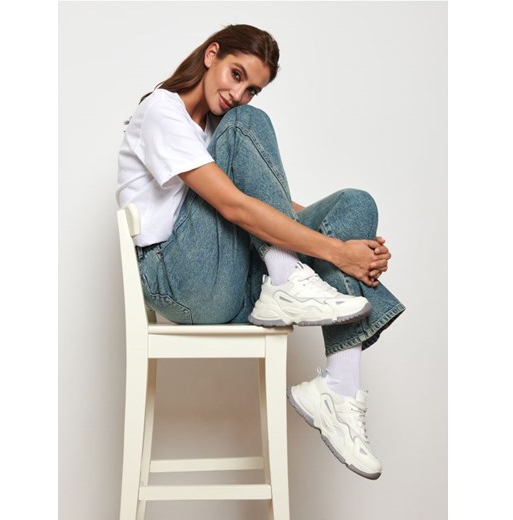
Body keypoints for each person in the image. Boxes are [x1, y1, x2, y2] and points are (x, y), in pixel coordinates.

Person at [117, 24, 405, 480]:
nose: (239, 94)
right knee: (247, 126)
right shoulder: (161, 110)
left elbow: (271, 206)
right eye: (236, 75)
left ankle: (337, 390)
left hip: (234, 280)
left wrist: (350, 247)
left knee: (355, 205)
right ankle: (286, 281)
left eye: (252, 89)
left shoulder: (218, 129)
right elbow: (235, 206)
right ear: (211, 55)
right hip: (179, 281)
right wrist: (336, 253)